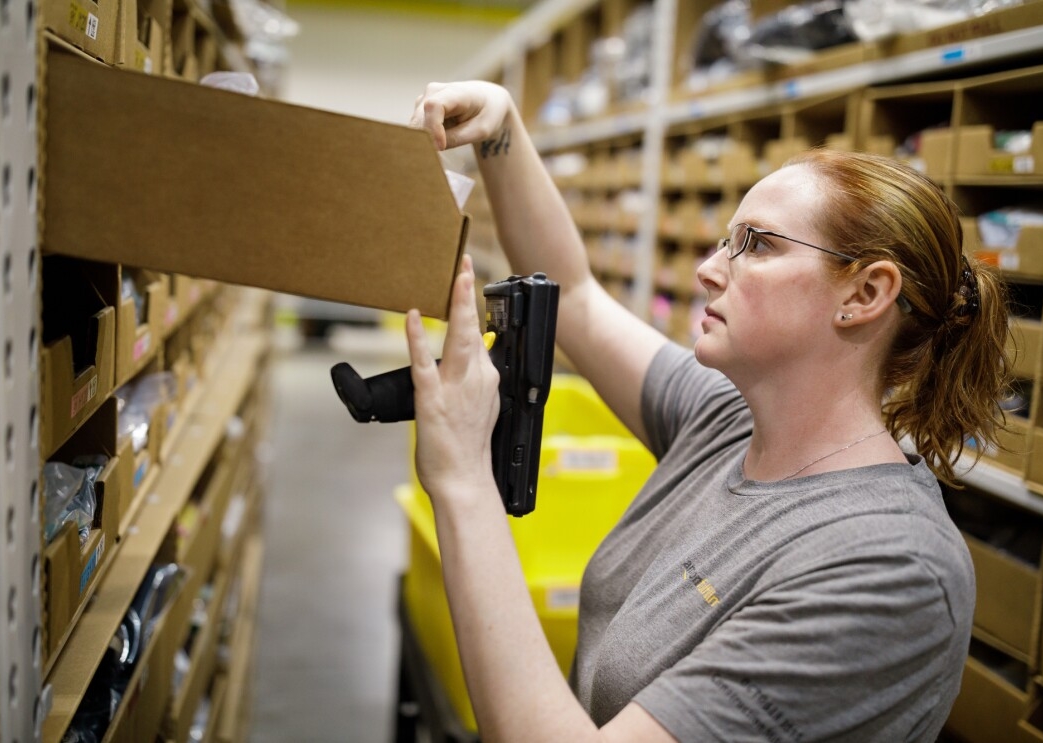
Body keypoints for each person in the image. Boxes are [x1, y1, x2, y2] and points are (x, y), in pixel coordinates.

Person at [403, 81, 1011, 742]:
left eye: (756, 244)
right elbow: (572, 297)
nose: (707, 269)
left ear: (864, 292)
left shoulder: (889, 570)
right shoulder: (727, 421)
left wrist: (462, 476)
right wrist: (500, 131)